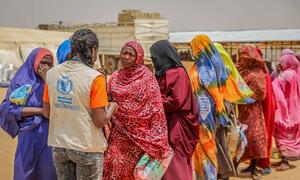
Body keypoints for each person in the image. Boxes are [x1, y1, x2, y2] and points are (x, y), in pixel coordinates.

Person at [43, 29, 118, 180]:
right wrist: (113, 107)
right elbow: (100, 120)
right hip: (86, 147)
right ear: (93, 50)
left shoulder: (51, 74)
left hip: (60, 145)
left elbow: (46, 112)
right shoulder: (95, 78)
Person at [103, 41, 173, 179]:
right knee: (112, 163)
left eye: (131, 54)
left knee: (134, 172)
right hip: (119, 134)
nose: (127, 57)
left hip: (140, 139)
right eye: (124, 53)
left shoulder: (147, 78)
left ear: (138, 57)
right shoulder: (115, 76)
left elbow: (156, 110)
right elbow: (108, 99)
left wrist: (158, 138)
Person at [0, 48, 57, 180]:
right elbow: (7, 108)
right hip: (28, 137)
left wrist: (48, 81)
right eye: (43, 63)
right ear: (34, 62)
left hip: (49, 137)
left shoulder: (54, 81)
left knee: (47, 173)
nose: (46, 67)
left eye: (50, 64)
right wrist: (40, 111)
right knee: (24, 173)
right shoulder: (21, 80)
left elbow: (60, 106)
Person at [189, 35, 237, 180]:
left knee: (207, 149)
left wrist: (219, 111)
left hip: (206, 116)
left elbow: (215, 92)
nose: (192, 50)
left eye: (194, 46)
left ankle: (209, 177)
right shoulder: (211, 63)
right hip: (206, 114)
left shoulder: (205, 66)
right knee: (207, 148)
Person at [150, 40, 199, 180]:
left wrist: (153, 103)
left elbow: (176, 101)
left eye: (155, 57)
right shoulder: (161, 74)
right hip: (165, 124)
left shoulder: (177, 73)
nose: (154, 60)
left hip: (176, 127)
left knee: (175, 164)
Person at [235, 45, 268, 179]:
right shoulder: (238, 70)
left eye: (244, 58)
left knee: (254, 139)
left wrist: (249, 96)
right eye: (241, 58)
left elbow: (262, 94)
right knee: (240, 138)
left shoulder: (258, 73)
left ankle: (253, 169)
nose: (241, 60)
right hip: (240, 110)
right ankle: (234, 166)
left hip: (254, 110)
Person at [272, 50, 300, 171]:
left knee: (281, 135)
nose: (281, 64)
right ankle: (287, 158)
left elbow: (275, 87)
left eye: (282, 62)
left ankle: (285, 161)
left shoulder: (286, 75)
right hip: (295, 112)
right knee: (292, 137)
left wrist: (275, 75)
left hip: (285, 112)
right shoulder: (296, 74)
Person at [254, 48, 276, 175]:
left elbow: (265, 95)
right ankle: (257, 162)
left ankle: (265, 163)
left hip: (266, 108)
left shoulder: (262, 72)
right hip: (265, 106)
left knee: (265, 133)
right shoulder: (262, 70)